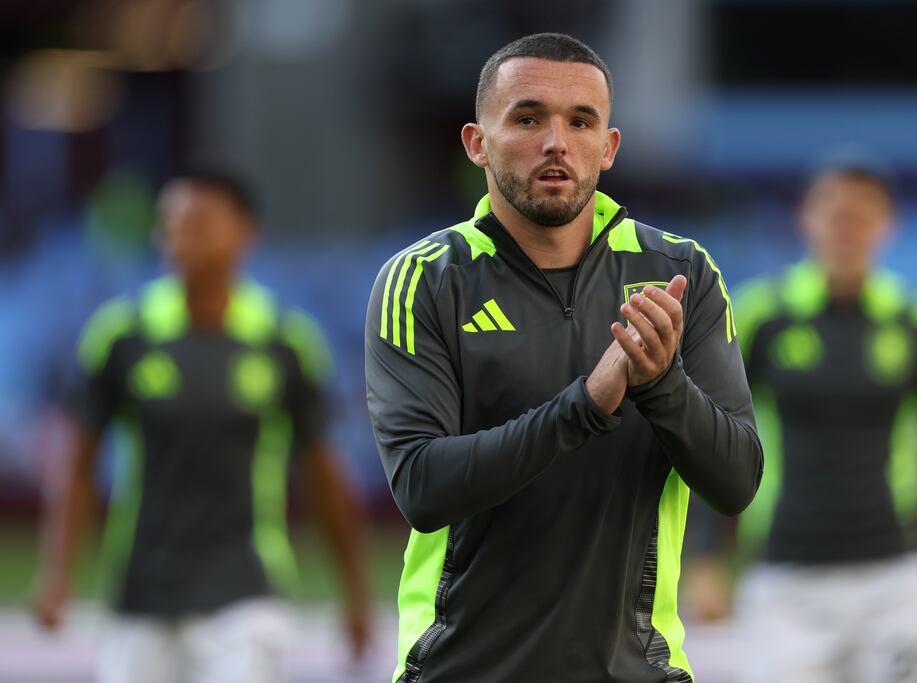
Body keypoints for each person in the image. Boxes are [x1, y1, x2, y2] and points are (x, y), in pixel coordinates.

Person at [364, 33, 763, 683]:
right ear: (476, 142)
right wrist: (585, 405)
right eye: (527, 118)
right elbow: (422, 485)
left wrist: (662, 386)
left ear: (607, 148)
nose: (557, 141)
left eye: (581, 122)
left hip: (641, 670)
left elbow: (737, 480)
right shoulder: (425, 279)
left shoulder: (679, 272)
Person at [33, 168, 372, 683]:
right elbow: (77, 464)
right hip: (140, 593)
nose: (177, 237)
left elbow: (323, 475)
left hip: (246, 590)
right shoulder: (123, 336)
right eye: (168, 224)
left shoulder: (284, 342)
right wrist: (56, 574)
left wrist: (354, 593)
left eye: (198, 222)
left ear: (244, 234)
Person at [688, 154, 917, 682]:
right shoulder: (763, 316)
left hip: (895, 580)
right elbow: (717, 442)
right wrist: (705, 557)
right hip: (785, 579)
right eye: (834, 211)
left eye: (863, 213)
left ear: (888, 224)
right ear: (805, 218)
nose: (847, 226)